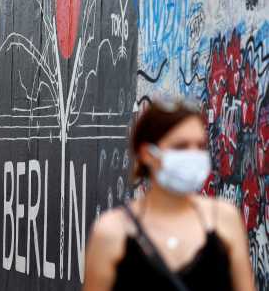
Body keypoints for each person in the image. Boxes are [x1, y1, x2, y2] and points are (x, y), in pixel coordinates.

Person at [83, 100, 255, 291]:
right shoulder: (112, 232)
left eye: (200, 146)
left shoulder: (224, 219)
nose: (193, 155)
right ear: (148, 154)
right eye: (180, 147)